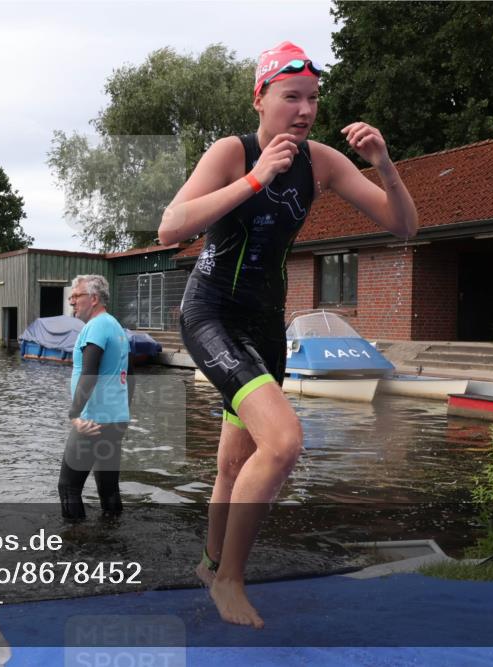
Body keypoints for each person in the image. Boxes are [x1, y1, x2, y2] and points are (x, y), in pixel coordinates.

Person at [157, 41, 418, 628]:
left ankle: (208, 564)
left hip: (265, 326)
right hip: (211, 315)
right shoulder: (234, 151)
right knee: (285, 443)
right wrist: (254, 178)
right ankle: (229, 581)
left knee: (233, 465)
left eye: (313, 100)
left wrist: (384, 163)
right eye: (291, 97)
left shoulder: (323, 162)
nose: (304, 110)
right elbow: (171, 226)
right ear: (261, 99)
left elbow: (402, 227)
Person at [57, 275, 131, 520]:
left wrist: (74, 413)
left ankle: (74, 544)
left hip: (91, 421)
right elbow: (127, 378)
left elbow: (89, 373)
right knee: (108, 488)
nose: (72, 301)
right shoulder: (116, 327)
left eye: (76, 296)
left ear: (94, 298)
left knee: (68, 487)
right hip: (113, 419)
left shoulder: (96, 326)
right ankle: (111, 538)